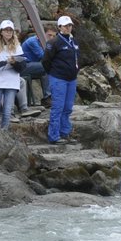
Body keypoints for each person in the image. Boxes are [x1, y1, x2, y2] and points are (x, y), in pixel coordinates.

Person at [44, 14, 79, 144]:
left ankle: (65, 133)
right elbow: (46, 61)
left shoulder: (74, 41)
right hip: (58, 78)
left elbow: (77, 58)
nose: (68, 28)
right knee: (57, 107)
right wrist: (53, 73)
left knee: (68, 107)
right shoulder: (54, 42)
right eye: (65, 26)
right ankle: (53, 136)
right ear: (59, 27)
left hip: (72, 79)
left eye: (70, 25)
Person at [0, 20, 24, 129]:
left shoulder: (17, 47)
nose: (8, 32)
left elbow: (22, 67)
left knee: (7, 112)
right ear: (1, 32)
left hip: (11, 82)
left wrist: (14, 62)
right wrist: (6, 62)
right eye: (6, 30)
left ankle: (4, 135)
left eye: (10, 30)